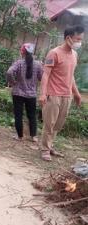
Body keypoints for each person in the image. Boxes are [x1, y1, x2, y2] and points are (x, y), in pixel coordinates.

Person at [39, 25, 84, 161]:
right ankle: (45, 150)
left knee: (58, 124)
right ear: (68, 38)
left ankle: (50, 145)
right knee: (49, 123)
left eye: (81, 39)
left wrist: (76, 93)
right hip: (53, 95)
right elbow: (46, 74)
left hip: (66, 96)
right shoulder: (54, 53)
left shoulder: (74, 54)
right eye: (78, 39)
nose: (79, 42)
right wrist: (42, 94)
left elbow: (71, 76)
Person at [6, 43, 43, 142]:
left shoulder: (18, 63)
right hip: (31, 94)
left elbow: (9, 72)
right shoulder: (38, 64)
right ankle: (34, 136)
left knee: (18, 114)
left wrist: (12, 82)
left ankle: (20, 136)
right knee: (32, 115)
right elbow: (42, 77)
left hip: (18, 93)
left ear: (22, 51)